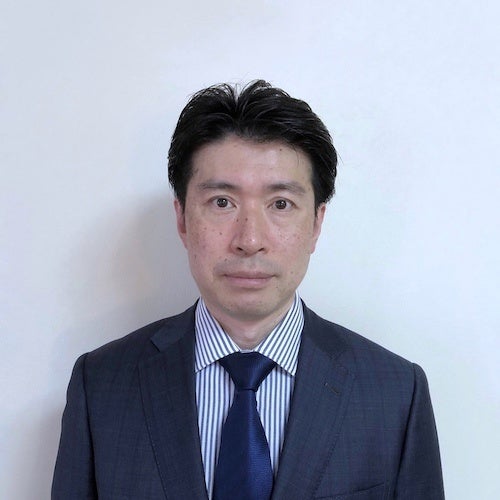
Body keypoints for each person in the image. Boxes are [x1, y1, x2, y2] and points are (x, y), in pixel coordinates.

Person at [52, 80, 444, 499]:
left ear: (316, 223)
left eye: (280, 204)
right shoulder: (102, 385)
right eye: (222, 202)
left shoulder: (395, 393)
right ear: (182, 219)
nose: (249, 240)